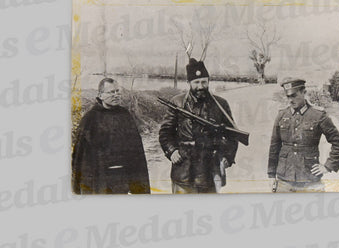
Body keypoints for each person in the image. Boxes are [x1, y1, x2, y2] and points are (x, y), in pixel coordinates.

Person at [159, 58, 238, 194]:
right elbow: (165, 132)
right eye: (196, 82)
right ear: (188, 82)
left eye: (203, 82)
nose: (200, 86)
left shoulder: (221, 104)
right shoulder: (177, 102)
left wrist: (228, 156)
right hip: (184, 169)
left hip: (211, 169)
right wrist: (172, 151)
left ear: (208, 82)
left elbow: (233, 135)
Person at [72, 78, 150, 194]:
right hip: (98, 179)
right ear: (100, 95)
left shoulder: (125, 115)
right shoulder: (90, 118)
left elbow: (136, 151)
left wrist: (138, 186)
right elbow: (80, 155)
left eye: (118, 91)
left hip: (121, 180)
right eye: (111, 92)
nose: (116, 95)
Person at [267, 77, 339, 192]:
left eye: (294, 95)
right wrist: (271, 175)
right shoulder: (282, 115)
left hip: (310, 179)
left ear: (304, 93)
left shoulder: (318, 116)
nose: (290, 100)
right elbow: (274, 146)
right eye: (288, 96)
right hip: (285, 179)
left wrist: (328, 166)